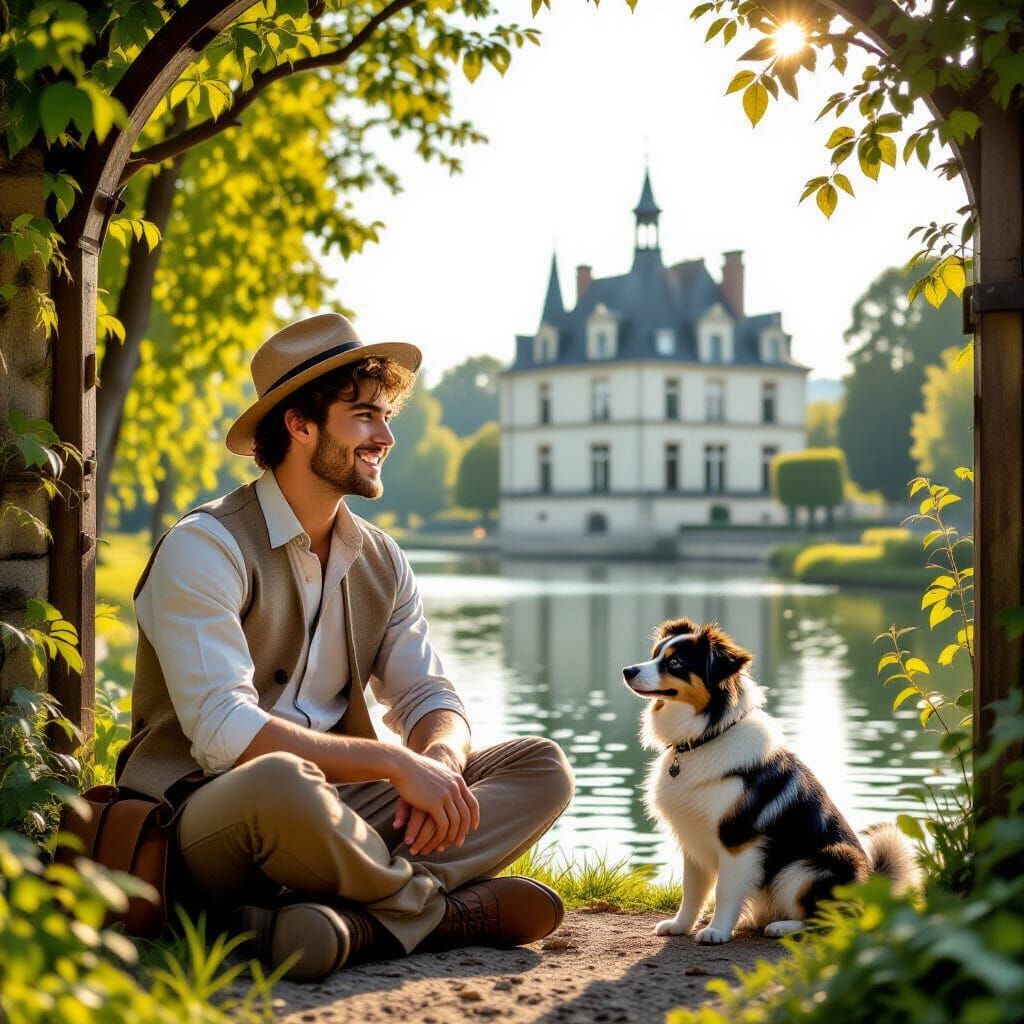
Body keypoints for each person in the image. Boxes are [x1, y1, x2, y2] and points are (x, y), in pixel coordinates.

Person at [114, 313, 574, 982]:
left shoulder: (380, 558)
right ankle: (439, 913)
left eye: (386, 416)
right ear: (300, 425)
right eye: (364, 416)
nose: (385, 436)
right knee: (280, 779)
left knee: (540, 767)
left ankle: (328, 921)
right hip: (213, 814)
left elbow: (428, 696)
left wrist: (438, 763)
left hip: (338, 810)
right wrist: (392, 765)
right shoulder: (204, 546)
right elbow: (224, 736)